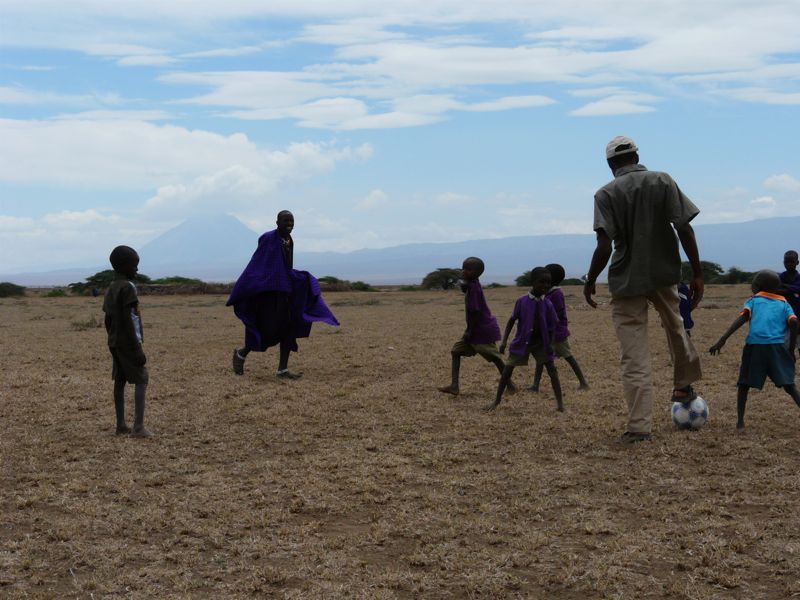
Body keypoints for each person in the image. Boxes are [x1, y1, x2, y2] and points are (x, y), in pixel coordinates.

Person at [584, 135, 703, 443]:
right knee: (677, 329)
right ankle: (683, 385)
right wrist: (698, 273)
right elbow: (684, 227)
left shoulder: (605, 194)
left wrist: (590, 278)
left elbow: (604, 245)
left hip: (625, 280)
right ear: (637, 155)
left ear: (610, 163)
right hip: (664, 273)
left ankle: (639, 427)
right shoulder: (662, 180)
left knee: (633, 355)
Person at [227, 210, 339, 378]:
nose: (289, 224)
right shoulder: (268, 239)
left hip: (284, 292)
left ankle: (282, 370)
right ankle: (241, 354)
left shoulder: (288, 240)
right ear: (277, 222)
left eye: (292, 221)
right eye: (286, 221)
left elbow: (284, 267)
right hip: (269, 294)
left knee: (289, 328)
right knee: (267, 329)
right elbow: (260, 264)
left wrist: (294, 278)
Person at [709, 270, 800, 429]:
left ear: (759, 286)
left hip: (755, 348)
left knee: (744, 385)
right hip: (777, 349)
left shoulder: (753, 301)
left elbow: (741, 319)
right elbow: (793, 323)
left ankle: (740, 422)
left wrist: (722, 339)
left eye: (755, 283)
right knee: (790, 386)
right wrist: (791, 350)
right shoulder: (784, 303)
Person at [485, 267, 562, 412]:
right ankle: (496, 401)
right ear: (532, 282)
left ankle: (560, 405)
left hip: (541, 343)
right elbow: (511, 321)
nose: (546, 286)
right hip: (522, 342)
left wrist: (552, 344)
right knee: (507, 371)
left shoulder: (548, 304)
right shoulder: (521, 301)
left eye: (548, 283)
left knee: (552, 372)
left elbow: (553, 326)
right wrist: (504, 342)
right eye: (542, 282)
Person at [438, 257, 516, 396]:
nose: (464, 271)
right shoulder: (473, 284)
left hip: (481, 330)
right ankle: (454, 386)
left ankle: (510, 385)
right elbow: (467, 288)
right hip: (476, 330)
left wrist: (469, 331)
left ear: (478, 272)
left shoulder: (474, 288)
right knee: (456, 351)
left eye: (468, 269)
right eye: (463, 268)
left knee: (495, 358)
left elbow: (475, 312)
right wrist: (464, 286)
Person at [103, 245, 152, 437]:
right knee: (142, 378)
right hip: (128, 342)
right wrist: (137, 347)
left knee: (120, 380)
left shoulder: (111, 288)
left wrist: (111, 337)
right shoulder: (128, 288)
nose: (137, 269)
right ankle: (138, 427)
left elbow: (108, 319)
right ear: (124, 266)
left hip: (114, 341)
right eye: (134, 265)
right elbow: (127, 318)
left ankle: (120, 424)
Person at [530, 263, 589, 392]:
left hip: (557, 333)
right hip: (546, 333)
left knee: (568, 356)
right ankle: (535, 385)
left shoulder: (556, 294)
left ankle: (583, 382)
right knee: (541, 359)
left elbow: (555, 314)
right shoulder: (547, 293)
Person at [778, 250, 800, 316]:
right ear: (783, 262)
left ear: (797, 262)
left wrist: (784, 286)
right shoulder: (780, 277)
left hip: (797, 312)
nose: (789, 264)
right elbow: (776, 290)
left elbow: (798, 289)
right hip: (782, 311)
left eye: (792, 262)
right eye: (786, 262)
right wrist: (793, 290)